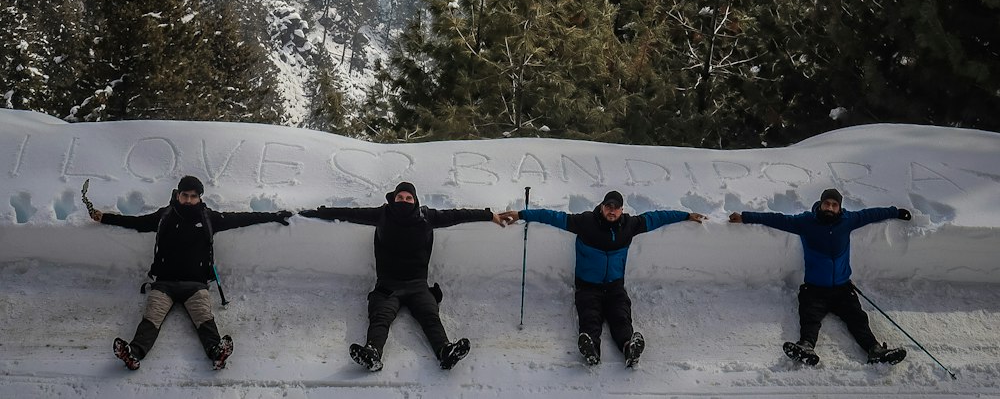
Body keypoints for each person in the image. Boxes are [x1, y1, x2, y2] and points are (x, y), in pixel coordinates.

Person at [300, 180, 510, 372]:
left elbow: (458, 215)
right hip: (388, 284)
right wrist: (317, 213)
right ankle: (373, 353)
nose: (404, 200)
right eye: (400, 197)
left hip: (418, 284)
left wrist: (489, 215)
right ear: (393, 198)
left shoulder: (427, 217)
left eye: (408, 198)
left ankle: (445, 351)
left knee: (429, 315)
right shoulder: (382, 214)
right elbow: (350, 213)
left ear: (415, 200)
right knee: (380, 316)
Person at [91, 174, 290, 371]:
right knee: (151, 318)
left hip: (195, 285)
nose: (188, 200)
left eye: (193, 196)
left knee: (204, 318)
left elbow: (241, 218)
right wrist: (105, 218)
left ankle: (216, 352)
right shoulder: (165, 215)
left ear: (200, 197)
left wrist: (274, 215)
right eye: (185, 195)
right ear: (178, 194)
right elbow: (137, 222)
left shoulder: (208, 218)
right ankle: (133, 353)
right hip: (164, 283)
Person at [499, 189, 705, 368]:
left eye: (616, 207)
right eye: (608, 206)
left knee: (620, 315)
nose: (612, 211)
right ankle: (591, 348)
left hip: (615, 285)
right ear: (602, 206)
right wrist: (521, 213)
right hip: (588, 285)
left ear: (622, 210)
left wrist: (686, 215)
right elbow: (553, 216)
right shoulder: (586, 222)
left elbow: (658, 217)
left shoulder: (630, 225)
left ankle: (628, 347)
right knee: (590, 314)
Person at [729, 187, 912, 366]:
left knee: (858, 318)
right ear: (820, 204)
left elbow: (871, 214)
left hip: (843, 288)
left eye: (834, 205)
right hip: (815, 288)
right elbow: (778, 219)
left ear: (839, 207)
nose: (830, 208)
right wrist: (745, 217)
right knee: (810, 316)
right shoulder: (806, 222)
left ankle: (875, 350)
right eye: (827, 204)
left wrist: (895, 212)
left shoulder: (848, 220)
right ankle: (806, 346)